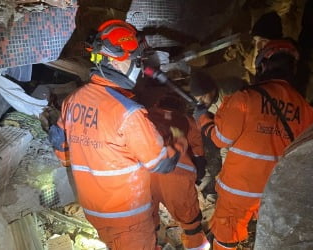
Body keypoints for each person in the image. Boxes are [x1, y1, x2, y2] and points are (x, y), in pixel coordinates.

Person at [48, 19, 186, 250]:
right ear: (115, 59)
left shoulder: (73, 100)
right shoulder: (128, 113)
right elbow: (161, 164)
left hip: (96, 212)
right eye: (135, 61)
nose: (139, 67)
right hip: (128, 219)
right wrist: (178, 139)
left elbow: (63, 153)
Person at [193, 24, 313, 250]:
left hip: (239, 190)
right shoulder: (306, 110)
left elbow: (221, 138)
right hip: (275, 190)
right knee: (269, 235)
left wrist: (203, 119)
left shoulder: (245, 99)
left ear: (262, 65)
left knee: (225, 235)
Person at [148, 94, 210, 250]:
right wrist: (198, 171)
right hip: (176, 177)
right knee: (191, 222)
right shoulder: (186, 121)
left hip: (146, 176)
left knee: (149, 222)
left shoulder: (146, 116)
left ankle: (155, 244)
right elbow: (198, 151)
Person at [189, 72, 247, 199]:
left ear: (212, 89)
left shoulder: (230, 91)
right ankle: (229, 187)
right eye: (197, 99)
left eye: (203, 97)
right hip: (226, 131)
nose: (201, 102)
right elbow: (196, 125)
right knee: (226, 155)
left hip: (243, 126)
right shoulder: (203, 102)